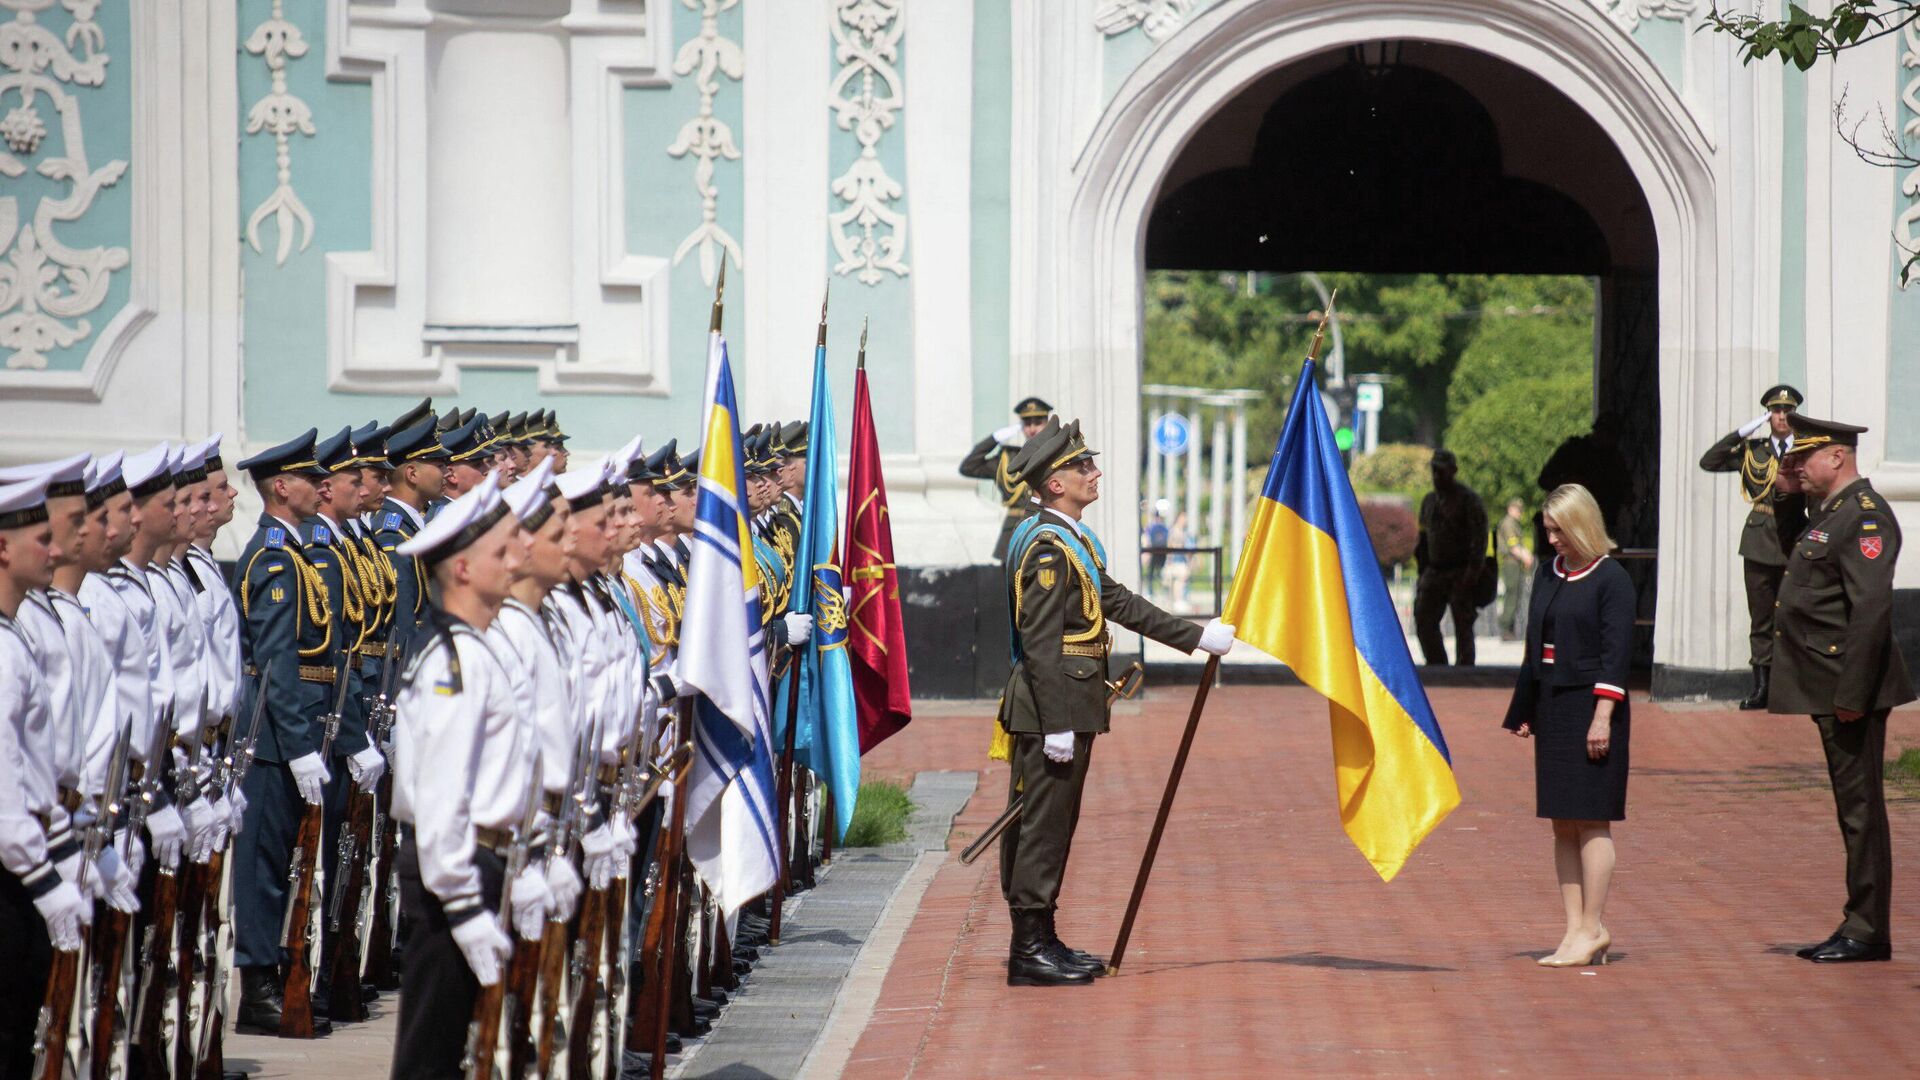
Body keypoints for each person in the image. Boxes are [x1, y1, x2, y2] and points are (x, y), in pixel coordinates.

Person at [995, 417, 1234, 986]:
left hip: (1070, 705)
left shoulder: (1067, 541)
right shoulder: (1049, 551)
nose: (1093, 472)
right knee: (1042, 828)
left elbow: (1116, 601)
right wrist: (1055, 724)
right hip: (1051, 709)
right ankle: (1029, 951)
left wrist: (1196, 635)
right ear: (1055, 483)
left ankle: (1043, 939)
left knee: (1055, 824)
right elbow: (1042, 644)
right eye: (1082, 467)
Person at [387, 480, 549, 1078]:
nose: (516, 560)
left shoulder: (475, 651)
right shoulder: (452, 664)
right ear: (461, 568)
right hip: (454, 870)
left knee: (468, 1051)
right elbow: (443, 795)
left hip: (480, 862)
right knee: (432, 1055)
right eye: (501, 551)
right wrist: (460, 900)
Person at [1770, 414, 1915, 963]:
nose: (1796, 467)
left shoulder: (1866, 517)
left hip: (1847, 688)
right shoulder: (1830, 514)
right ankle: (1859, 920)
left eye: (1803, 458)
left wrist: (1852, 694)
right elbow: (1793, 561)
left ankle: (1868, 928)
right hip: (1829, 684)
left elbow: (1873, 611)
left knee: (1861, 809)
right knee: (1851, 806)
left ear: (1836, 456)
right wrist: (1785, 496)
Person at [228, 430, 341, 1036]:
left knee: (288, 864)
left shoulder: (298, 553)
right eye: (310, 477)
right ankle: (257, 987)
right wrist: (299, 748)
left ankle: (278, 974)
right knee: (264, 866)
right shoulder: (273, 558)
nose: (325, 484)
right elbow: (276, 662)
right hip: (273, 739)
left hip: (296, 730)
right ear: (281, 487)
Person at [1502, 483, 1634, 968]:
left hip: (1593, 709)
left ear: (1582, 525)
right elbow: (1535, 648)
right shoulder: (1547, 574)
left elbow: (1615, 656)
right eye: (1548, 530)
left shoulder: (1612, 579)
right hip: (1555, 707)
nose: (1553, 539)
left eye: (1559, 530)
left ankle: (1594, 925)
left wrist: (1603, 717)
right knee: (1561, 821)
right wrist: (1526, 708)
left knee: (1592, 818)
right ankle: (1574, 928)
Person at [1699, 384, 1809, 709]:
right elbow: (1710, 461)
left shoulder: (1804, 449)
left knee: (1792, 614)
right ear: (1768, 415)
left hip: (1793, 541)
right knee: (1760, 618)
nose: (1782, 416)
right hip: (1760, 541)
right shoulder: (1754, 451)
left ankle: (1790, 686)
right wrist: (1743, 431)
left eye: (1788, 411)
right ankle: (1762, 688)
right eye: (1776, 411)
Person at [1413, 449, 1489, 666]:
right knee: (1423, 618)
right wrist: (1422, 571)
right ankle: (1437, 663)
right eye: (1434, 471)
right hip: (1435, 570)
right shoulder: (1429, 502)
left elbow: (1480, 539)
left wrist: (1473, 572)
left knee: (1463, 625)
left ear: (1453, 471)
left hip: (1460, 570)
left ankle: (1465, 671)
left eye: (1442, 471)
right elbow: (1423, 539)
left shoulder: (1469, 501)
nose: (1437, 476)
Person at [960, 396, 1054, 562]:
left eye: (1038, 422)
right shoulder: (1008, 460)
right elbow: (969, 467)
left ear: (1047, 424)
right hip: (1014, 530)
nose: (1032, 429)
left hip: (1047, 528)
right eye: (1027, 423)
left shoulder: (1057, 456)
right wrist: (994, 439)